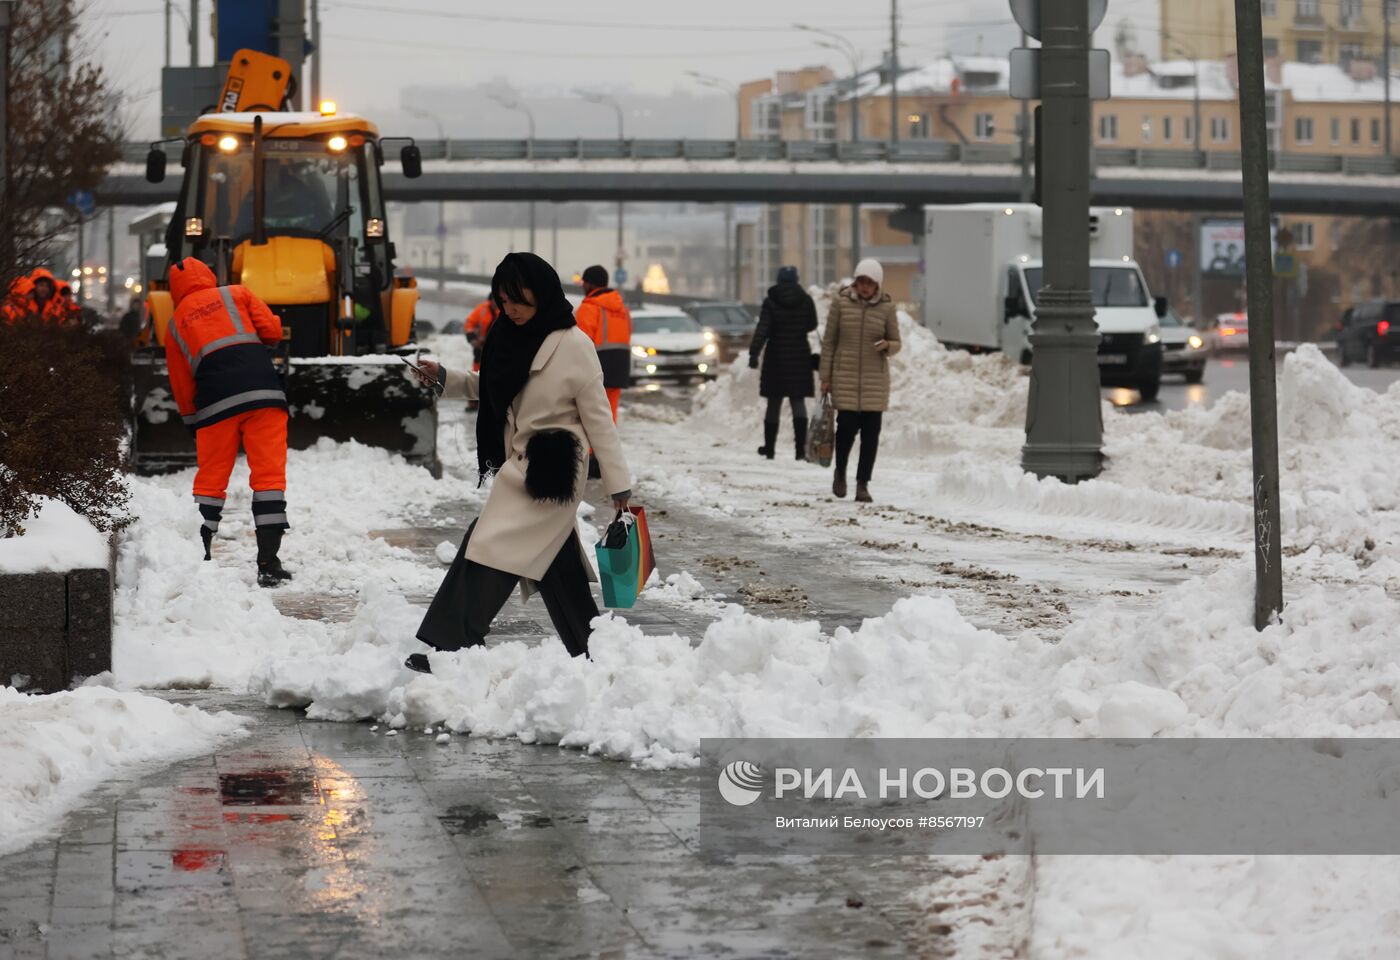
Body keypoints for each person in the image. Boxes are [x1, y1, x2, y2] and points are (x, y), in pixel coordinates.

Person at [405, 252, 631, 672]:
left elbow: (600, 419)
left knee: (489, 545)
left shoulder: (574, 344)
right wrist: (443, 377)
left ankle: (453, 645)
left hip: (554, 469)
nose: (511, 310)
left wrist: (620, 487)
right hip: (522, 463)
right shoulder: (506, 335)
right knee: (554, 563)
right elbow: (490, 385)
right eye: (504, 301)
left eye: (520, 302)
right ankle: (594, 649)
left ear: (542, 297)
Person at [164, 257, 293, 587]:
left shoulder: (175, 323)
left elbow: (181, 381)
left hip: (214, 402)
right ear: (209, 275)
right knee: (269, 477)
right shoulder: (237, 293)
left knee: (210, 481)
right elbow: (273, 332)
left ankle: (199, 557)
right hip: (264, 393)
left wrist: (193, 420)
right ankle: (269, 563)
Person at [819, 258, 901, 504]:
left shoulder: (887, 308)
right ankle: (840, 473)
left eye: (870, 283)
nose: (865, 287)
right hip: (844, 379)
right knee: (845, 433)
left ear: (877, 285)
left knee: (870, 437)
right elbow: (829, 342)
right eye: (861, 282)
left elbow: (897, 342)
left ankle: (863, 484)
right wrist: (825, 377)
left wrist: (888, 346)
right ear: (855, 282)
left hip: (875, 382)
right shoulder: (841, 304)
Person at [749, 265, 817, 461]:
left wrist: (754, 354)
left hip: (776, 357)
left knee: (774, 402)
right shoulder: (805, 300)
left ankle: (769, 449)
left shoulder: (771, 301)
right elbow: (812, 324)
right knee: (798, 402)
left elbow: (763, 329)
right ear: (796, 279)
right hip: (799, 356)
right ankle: (800, 451)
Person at [572, 265, 632, 423]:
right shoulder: (622, 308)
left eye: (584, 282)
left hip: (597, 363)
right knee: (610, 407)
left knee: (591, 410)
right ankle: (608, 443)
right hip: (620, 363)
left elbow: (580, 341)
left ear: (591, 284)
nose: (583, 286)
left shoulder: (589, 308)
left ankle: (594, 446)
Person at [463, 298, 499, 373]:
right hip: (480, 343)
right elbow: (469, 323)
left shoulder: (506, 311)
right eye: (494, 300)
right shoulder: (482, 309)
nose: (495, 303)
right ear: (490, 300)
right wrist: (472, 337)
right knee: (478, 359)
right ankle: (476, 376)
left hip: (496, 345)